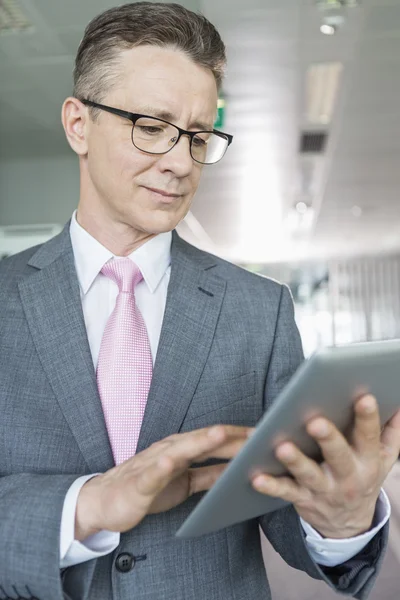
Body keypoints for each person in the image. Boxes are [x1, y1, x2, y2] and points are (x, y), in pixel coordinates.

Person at [0, 3, 399, 600]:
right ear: (79, 124)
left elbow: (287, 511)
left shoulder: (258, 312)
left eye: (199, 135)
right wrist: (88, 504)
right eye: (152, 127)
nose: (182, 163)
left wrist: (340, 523)